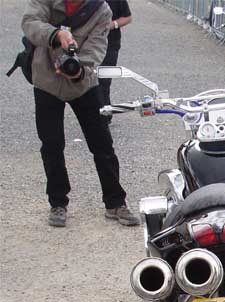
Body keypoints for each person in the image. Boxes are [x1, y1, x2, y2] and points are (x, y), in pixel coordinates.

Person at [22, 0, 139, 227]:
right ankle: (58, 203)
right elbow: (29, 22)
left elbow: (96, 48)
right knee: (51, 144)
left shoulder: (101, 10)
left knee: (102, 143)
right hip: (46, 80)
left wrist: (79, 70)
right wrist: (56, 35)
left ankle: (115, 202)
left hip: (83, 84)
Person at [98, 0, 132, 119]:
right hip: (87, 44)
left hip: (110, 44)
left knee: (104, 81)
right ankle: (99, 112)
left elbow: (127, 17)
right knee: (90, 81)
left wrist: (113, 25)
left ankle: (104, 116)